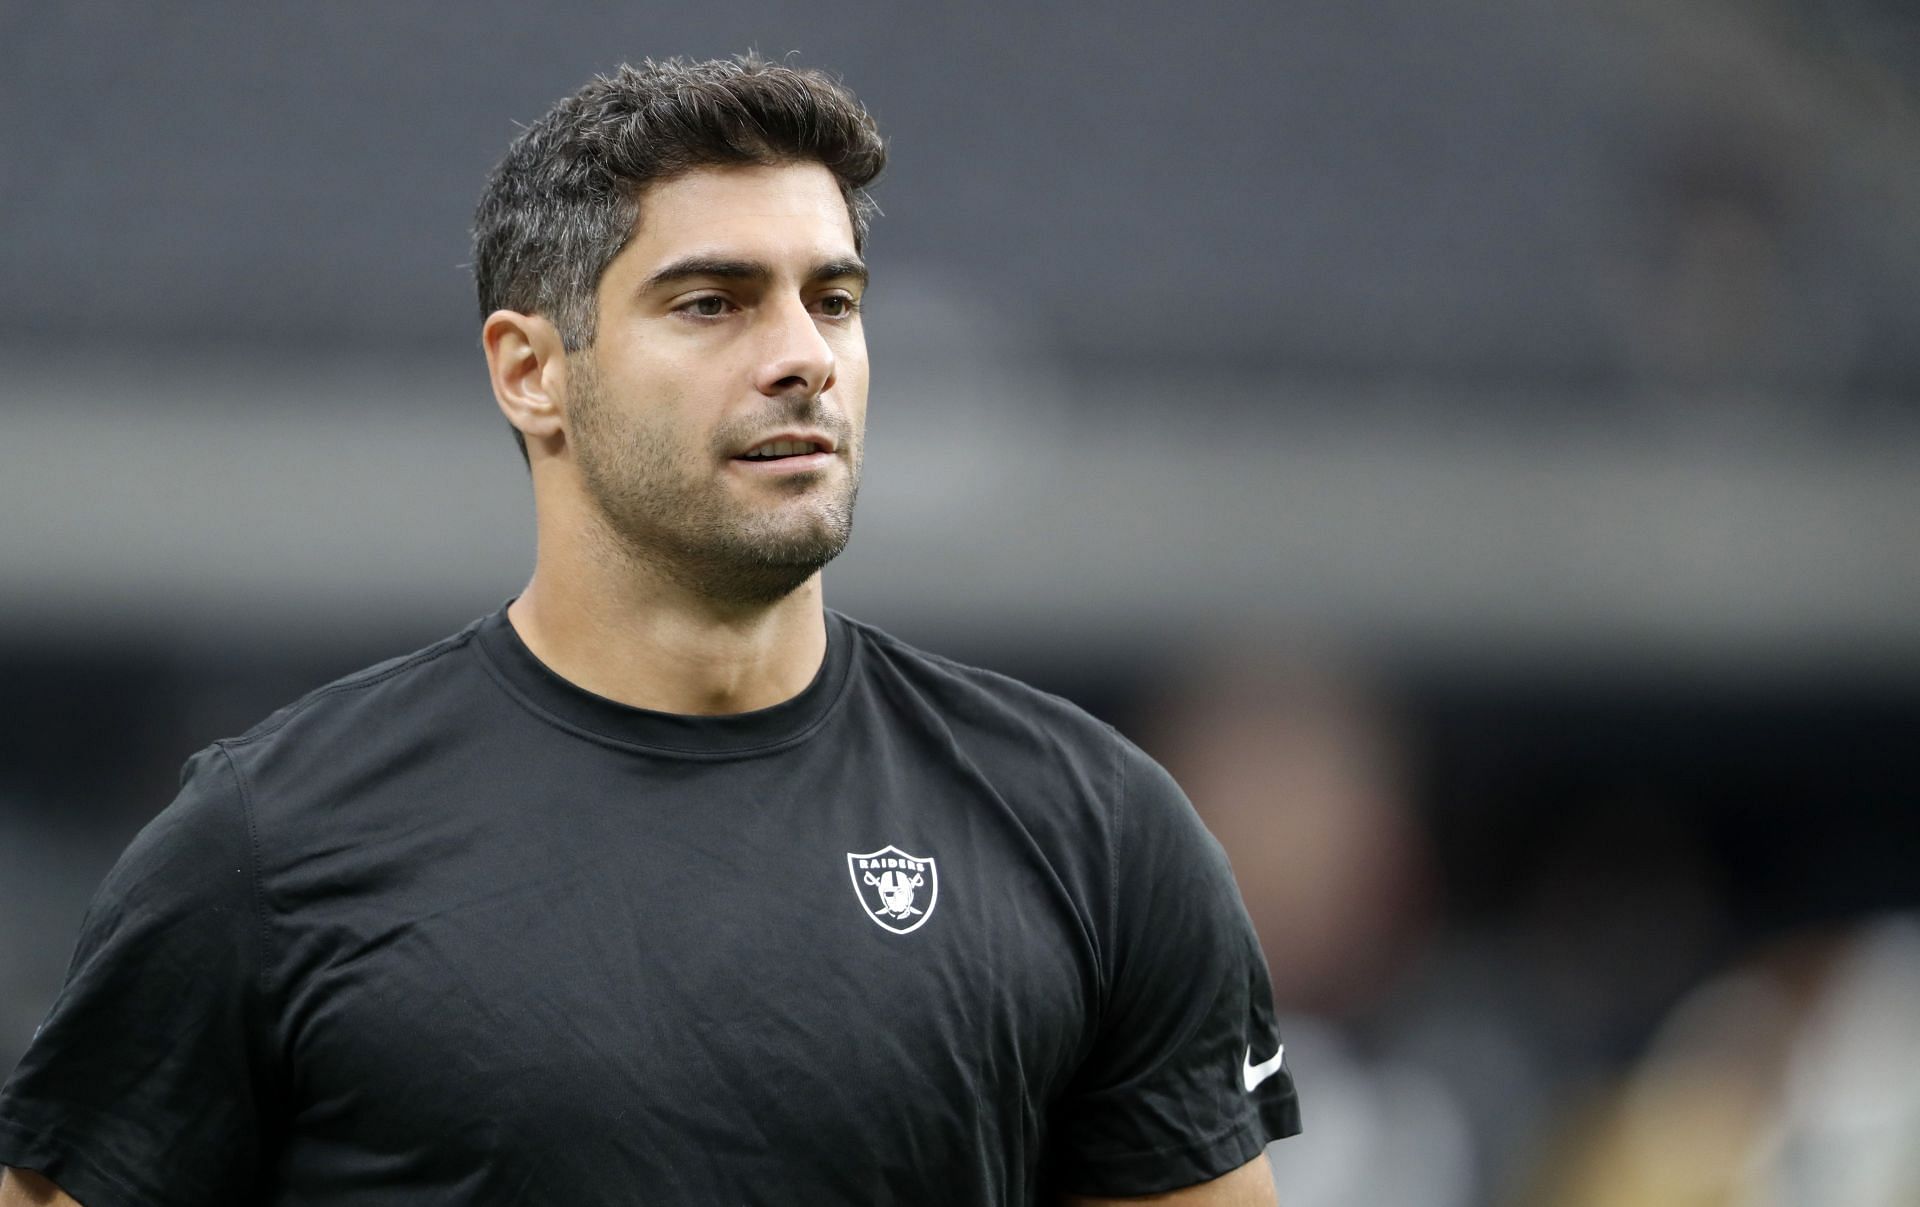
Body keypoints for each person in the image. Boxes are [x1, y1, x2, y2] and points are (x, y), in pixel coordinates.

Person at [0, 55, 1300, 1206]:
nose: (804, 356)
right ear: (530, 370)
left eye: (833, 301)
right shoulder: (266, 848)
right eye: (713, 303)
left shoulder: (1093, 830)